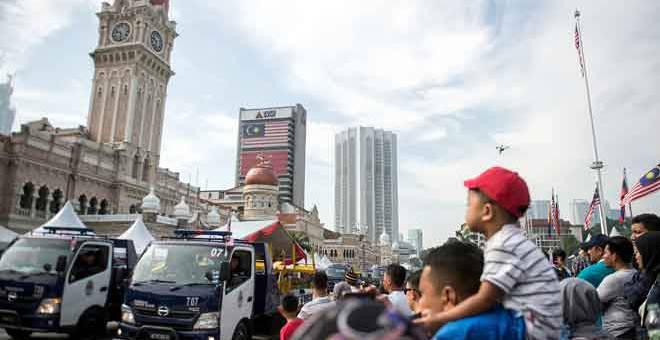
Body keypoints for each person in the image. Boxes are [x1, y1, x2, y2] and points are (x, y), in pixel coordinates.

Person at [417, 167, 561, 340]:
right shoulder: (512, 240)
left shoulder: (503, 244)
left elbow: (485, 299)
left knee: (453, 333)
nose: (467, 210)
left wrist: (439, 319)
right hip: (533, 321)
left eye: (469, 204)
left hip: (530, 327)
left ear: (487, 211)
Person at [419, 241, 525, 340]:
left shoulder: (453, 334)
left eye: (422, 294)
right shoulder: (511, 321)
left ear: (448, 296)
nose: (419, 302)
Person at [597, 236, 639, 339]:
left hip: (618, 332)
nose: (603, 257)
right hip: (632, 329)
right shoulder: (636, 274)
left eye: (606, 253)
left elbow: (593, 302)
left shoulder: (613, 279)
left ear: (614, 256)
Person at [634, 232, 660, 326]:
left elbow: (655, 329)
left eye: (638, 252)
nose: (636, 256)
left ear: (650, 252)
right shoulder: (655, 278)